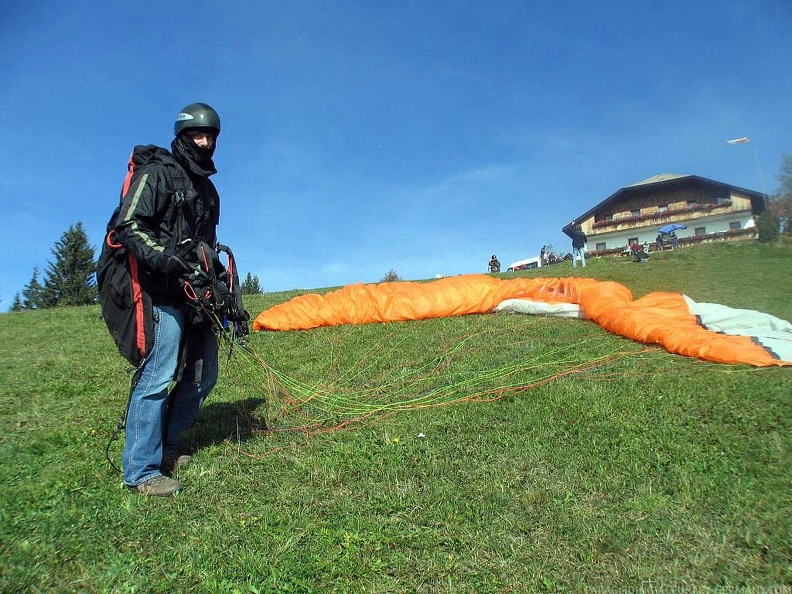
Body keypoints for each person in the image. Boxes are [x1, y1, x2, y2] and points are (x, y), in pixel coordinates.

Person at [111, 103, 225, 496]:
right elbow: (128, 225)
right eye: (198, 135)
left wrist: (220, 286)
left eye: (210, 136)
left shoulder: (209, 191)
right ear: (182, 136)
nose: (205, 142)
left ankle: (165, 447)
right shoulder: (156, 173)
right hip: (159, 290)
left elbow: (207, 245)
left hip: (194, 293)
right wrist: (166, 258)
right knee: (158, 375)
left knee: (202, 376)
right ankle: (141, 471)